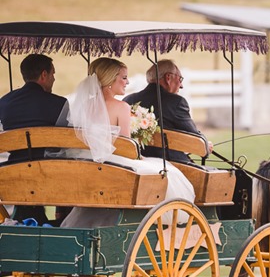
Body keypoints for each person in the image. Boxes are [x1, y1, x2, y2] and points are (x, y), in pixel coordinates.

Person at [59, 57, 195, 228]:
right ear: (110, 79)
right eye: (123, 77)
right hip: (112, 163)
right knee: (167, 172)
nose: (127, 82)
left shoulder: (82, 105)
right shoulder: (120, 107)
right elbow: (126, 148)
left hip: (86, 162)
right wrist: (141, 157)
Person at [0, 54, 69, 225]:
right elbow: (66, 142)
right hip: (48, 173)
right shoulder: (59, 103)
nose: (54, 79)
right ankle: (64, 219)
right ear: (44, 75)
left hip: (12, 170)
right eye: (53, 74)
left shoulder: (4, 102)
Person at [123, 59, 213, 163]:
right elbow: (196, 141)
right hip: (170, 164)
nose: (182, 85)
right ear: (168, 78)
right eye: (180, 79)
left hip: (137, 162)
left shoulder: (128, 100)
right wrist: (206, 144)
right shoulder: (176, 102)